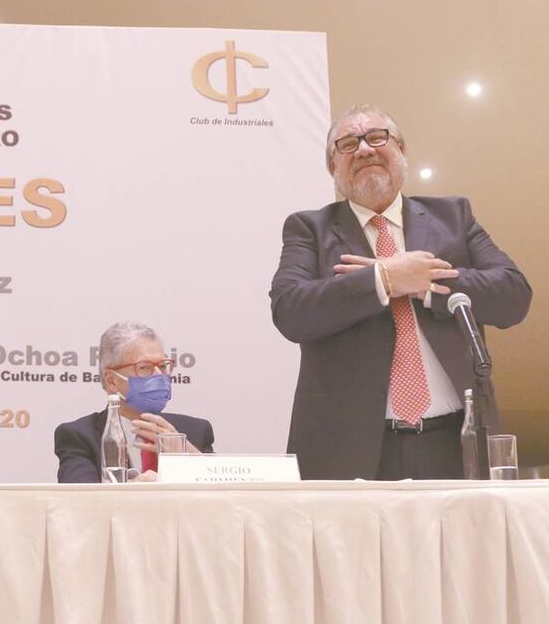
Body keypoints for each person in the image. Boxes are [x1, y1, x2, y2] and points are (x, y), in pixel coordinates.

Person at [270, 104, 532, 480]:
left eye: (377, 137)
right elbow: (290, 310)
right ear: (333, 168)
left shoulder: (453, 216)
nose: (364, 149)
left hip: (457, 444)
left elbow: (513, 296)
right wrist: (383, 279)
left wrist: (426, 281)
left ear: (401, 151)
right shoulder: (309, 228)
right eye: (347, 144)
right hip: (349, 450)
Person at [54, 321, 214, 483]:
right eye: (144, 367)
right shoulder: (79, 436)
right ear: (112, 381)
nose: (158, 375)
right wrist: (135, 490)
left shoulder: (196, 432)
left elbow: (225, 499)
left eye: (163, 366)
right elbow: (79, 501)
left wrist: (193, 461)